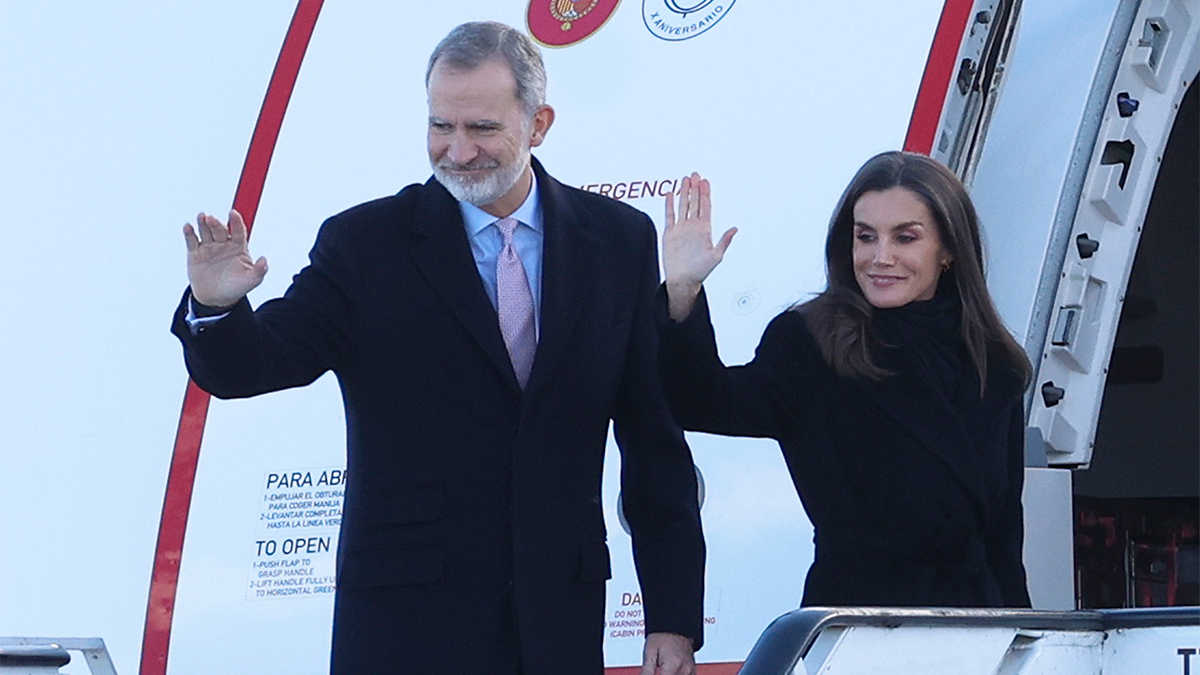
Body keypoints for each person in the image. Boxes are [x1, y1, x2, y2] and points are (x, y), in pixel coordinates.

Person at [172, 21, 704, 675]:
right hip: (405, 628)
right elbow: (259, 361)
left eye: (480, 128)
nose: (456, 150)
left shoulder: (618, 240)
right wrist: (218, 308)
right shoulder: (365, 244)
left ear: (539, 123)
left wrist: (673, 618)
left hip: (556, 626)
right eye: (439, 126)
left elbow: (654, 444)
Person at [658, 151, 1032, 608]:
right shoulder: (813, 342)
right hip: (859, 624)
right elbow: (701, 401)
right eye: (866, 237)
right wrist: (683, 290)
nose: (881, 258)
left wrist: (1019, 634)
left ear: (949, 249)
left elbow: (1004, 535)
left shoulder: (996, 365)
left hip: (973, 627)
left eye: (905, 238)